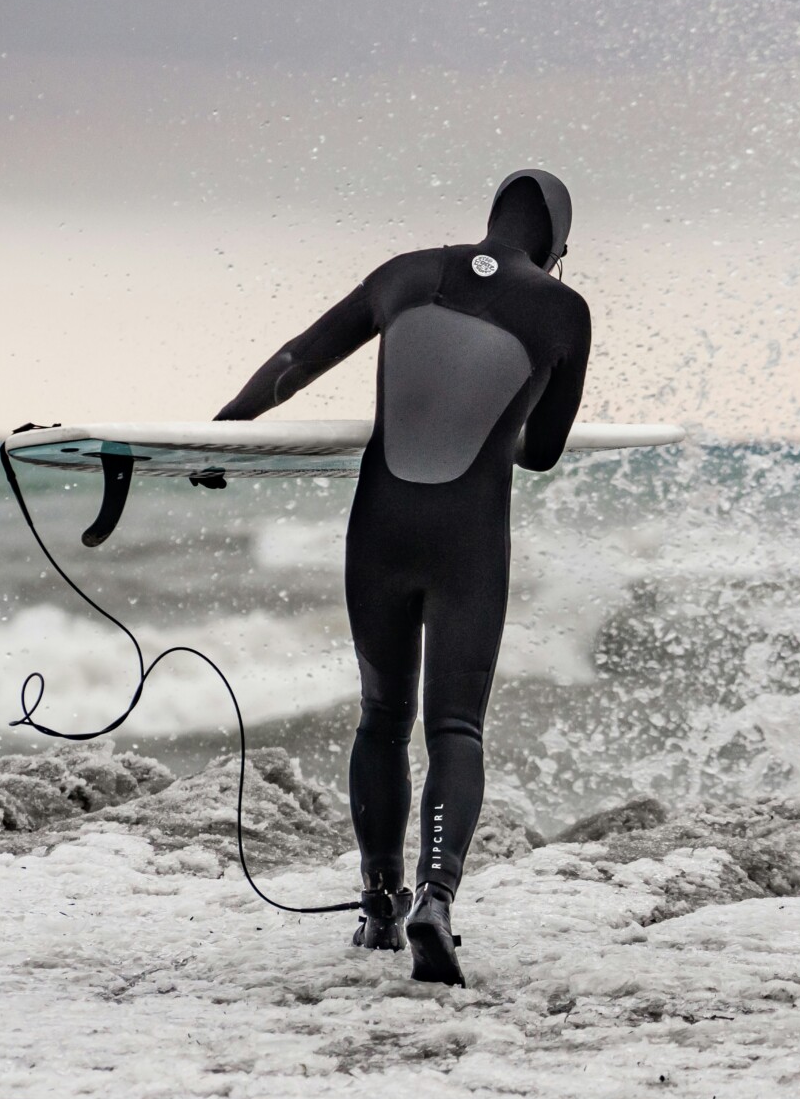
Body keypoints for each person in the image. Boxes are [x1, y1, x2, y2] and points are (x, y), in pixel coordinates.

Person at [215, 170, 591, 984]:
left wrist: (225, 430)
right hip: (468, 542)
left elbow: (298, 359)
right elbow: (546, 448)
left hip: (378, 532)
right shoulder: (564, 310)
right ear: (557, 246)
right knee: (454, 726)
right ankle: (436, 898)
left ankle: (378, 899)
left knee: (381, 718)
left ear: (491, 217)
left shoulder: (406, 272)